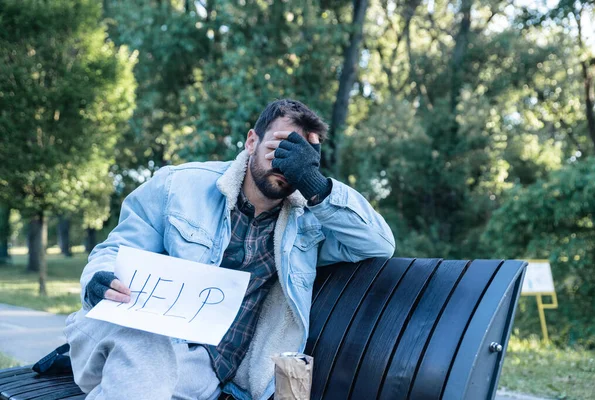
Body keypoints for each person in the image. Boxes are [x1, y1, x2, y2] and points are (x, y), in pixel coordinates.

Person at [65, 99, 395, 400]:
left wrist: (315, 184)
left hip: (202, 368)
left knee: (141, 383)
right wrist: (98, 279)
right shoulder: (179, 186)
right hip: (120, 333)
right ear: (252, 141)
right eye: (280, 145)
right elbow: (117, 249)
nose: (284, 160)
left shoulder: (307, 227)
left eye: (299, 156)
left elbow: (379, 244)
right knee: (148, 344)